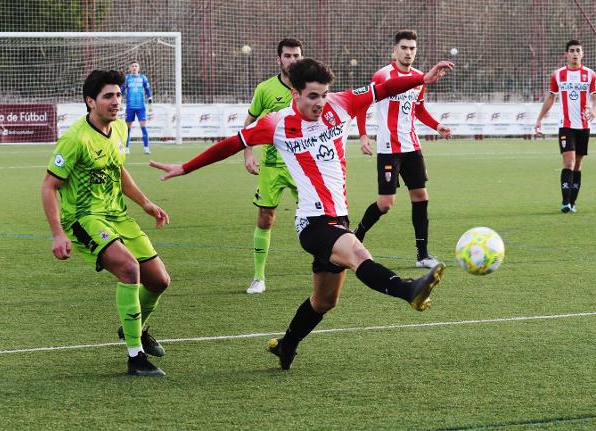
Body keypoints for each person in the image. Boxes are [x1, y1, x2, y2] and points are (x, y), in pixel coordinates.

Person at [150, 57, 453, 370]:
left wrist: (422, 79)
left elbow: (384, 87)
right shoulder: (276, 123)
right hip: (313, 223)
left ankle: (286, 345)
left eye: (323, 95)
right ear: (295, 94)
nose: (320, 102)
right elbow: (230, 144)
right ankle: (409, 289)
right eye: (312, 96)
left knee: (324, 301)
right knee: (359, 253)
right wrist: (185, 167)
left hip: (339, 219)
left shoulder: (341, 103)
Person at [41, 70, 171, 377]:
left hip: (118, 215)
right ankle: (135, 355)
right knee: (129, 269)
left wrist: (146, 203)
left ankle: (134, 326)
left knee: (159, 281)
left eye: (118, 95)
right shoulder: (75, 138)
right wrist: (57, 234)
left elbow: (118, 170)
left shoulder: (120, 131)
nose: (116, 102)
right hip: (84, 219)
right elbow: (49, 186)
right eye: (108, 96)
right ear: (90, 102)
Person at [353, 30, 452, 268]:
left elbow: (418, 110)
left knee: (421, 196)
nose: (409, 53)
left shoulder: (421, 78)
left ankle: (422, 255)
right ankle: (356, 238)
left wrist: (437, 126)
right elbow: (361, 104)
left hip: (412, 147)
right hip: (388, 148)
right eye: (404, 48)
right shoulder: (382, 75)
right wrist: (364, 135)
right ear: (394, 51)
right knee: (386, 203)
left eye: (412, 49)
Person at [243, 38, 303, 294]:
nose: (293, 60)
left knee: (320, 220)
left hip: (303, 165)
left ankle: (326, 270)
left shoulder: (310, 86)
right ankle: (259, 278)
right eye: (288, 56)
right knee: (266, 219)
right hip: (271, 166)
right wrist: (248, 154)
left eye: (297, 55)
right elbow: (250, 122)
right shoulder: (265, 89)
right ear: (279, 59)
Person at [535, 39, 596, 213]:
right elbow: (550, 98)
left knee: (578, 165)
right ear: (566, 54)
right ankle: (565, 202)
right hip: (566, 126)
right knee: (569, 162)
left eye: (578, 50)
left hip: (584, 126)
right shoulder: (558, 75)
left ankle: (572, 202)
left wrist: (594, 111)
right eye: (571, 50)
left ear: (582, 54)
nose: (575, 53)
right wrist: (539, 119)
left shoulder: (590, 74)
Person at [121, 61, 153, 154]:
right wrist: (119, 100)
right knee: (128, 128)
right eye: (133, 66)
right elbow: (121, 91)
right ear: (130, 68)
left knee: (143, 127)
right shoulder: (127, 78)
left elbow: (147, 90)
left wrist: (150, 100)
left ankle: (146, 148)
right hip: (130, 107)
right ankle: (126, 148)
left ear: (138, 68)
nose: (134, 68)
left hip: (141, 107)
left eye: (136, 66)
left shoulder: (143, 78)